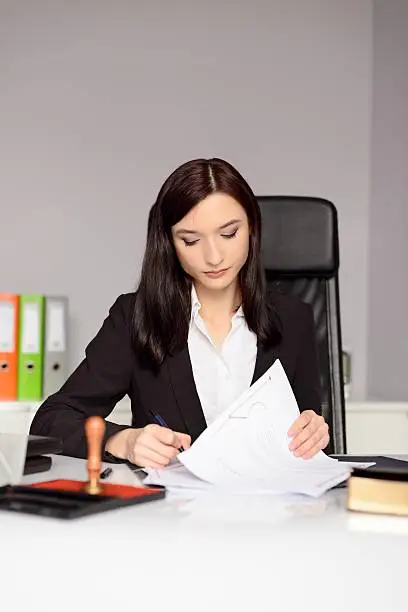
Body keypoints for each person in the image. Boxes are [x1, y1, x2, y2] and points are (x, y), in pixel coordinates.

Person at [30, 157, 329, 467]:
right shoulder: (136, 317)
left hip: (272, 508)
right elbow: (50, 421)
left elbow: (308, 425)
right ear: (169, 243)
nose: (213, 257)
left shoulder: (295, 318)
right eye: (190, 240)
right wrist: (123, 440)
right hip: (171, 511)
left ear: (252, 228)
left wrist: (313, 431)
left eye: (229, 234)